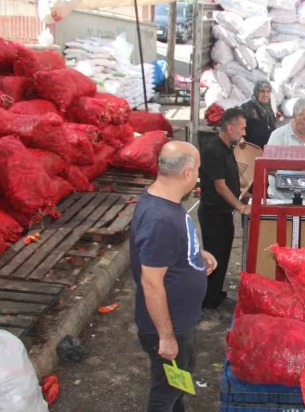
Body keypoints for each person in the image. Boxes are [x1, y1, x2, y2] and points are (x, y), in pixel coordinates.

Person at [130, 141, 218, 412]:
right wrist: (166, 337)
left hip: (180, 319)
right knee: (165, 392)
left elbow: (163, 250)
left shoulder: (163, 201)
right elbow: (151, 283)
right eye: (199, 170)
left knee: (177, 382)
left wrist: (194, 253)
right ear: (188, 174)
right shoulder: (161, 220)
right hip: (170, 324)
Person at [198, 108, 250, 321]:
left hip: (223, 213)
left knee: (224, 255)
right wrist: (240, 206)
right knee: (213, 258)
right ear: (230, 128)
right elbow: (220, 186)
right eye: (242, 128)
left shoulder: (227, 147)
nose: (244, 132)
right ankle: (208, 303)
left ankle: (217, 296)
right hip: (213, 214)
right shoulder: (213, 150)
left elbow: (231, 179)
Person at [240, 80, 276, 148]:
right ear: (256, 92)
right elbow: (238, 127)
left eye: (268, 91)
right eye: (262, 91)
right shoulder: (246, 107)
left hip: (267, 149)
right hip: (251, 149)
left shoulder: (269, 109)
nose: (265, 94)